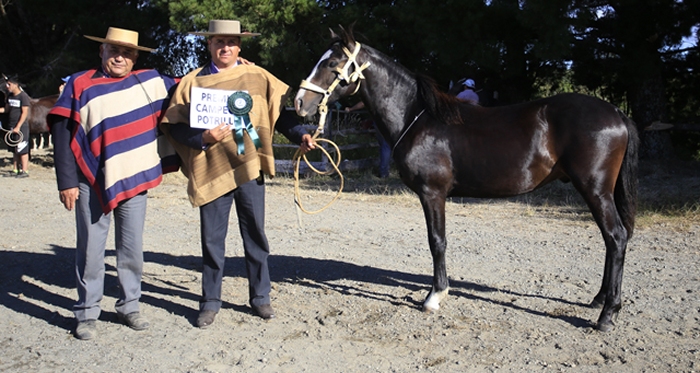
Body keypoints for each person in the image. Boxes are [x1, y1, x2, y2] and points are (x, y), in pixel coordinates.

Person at [161, 19, 316, 328]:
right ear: (209, 44)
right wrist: (201, 138)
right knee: (212, 239)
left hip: (250, 166)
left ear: (240, 45)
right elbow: (171, 124)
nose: (225, 47)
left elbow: (279, 113)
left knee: (255, 235)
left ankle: (260, 298)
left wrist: (300, 134)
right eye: (219, 41)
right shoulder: (191, 83)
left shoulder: (257, 78)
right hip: (212, 170)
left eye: (231, 42)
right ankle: (210, 301)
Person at [47, 27, 179, 340]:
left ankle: (129, 305)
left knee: (131, 247)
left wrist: (236, 74)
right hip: (89, 181)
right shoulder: (80, 84)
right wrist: (65, 181)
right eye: (113, 51)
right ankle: (87, 312)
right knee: (91, 248)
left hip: (134, 177)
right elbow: (63, 134)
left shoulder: (150, 83)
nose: (120, 57)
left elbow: (191, 89)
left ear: (135, 58)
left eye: (127, 52)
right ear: (101, 52)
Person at [344, 101, 390, 178]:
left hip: (378, 119)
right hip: (386, 119)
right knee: (386, 146)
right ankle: (384, 172)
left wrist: (351, 109)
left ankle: (384, 170)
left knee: (383, 146)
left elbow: (363, 103)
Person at [0, 75, 31, 178]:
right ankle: (15, 169)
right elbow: (7, 109)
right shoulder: (10, 96)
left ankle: (25, 170)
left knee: (22, 149)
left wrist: (18, 126)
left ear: (15, 85)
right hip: (11, 126)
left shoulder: (23, 96)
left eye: (9, 84)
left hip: (21, 127)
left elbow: (24, 112)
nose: (7, 86)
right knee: (14, 149)